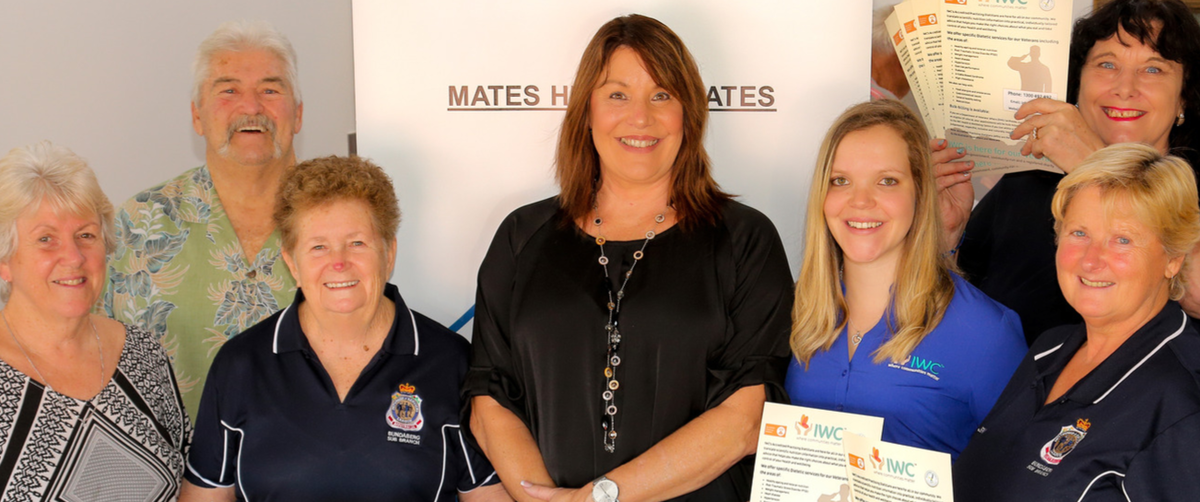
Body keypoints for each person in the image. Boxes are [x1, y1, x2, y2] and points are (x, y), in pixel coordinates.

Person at [464, 14, 794, 502]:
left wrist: (598, 497)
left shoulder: (745, 240)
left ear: (688, 113)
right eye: (617, 94)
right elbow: (490, 401)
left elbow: (746, 419)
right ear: (587, 111)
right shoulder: (521, 235)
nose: (640, 117)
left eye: (662, 95)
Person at [180, 156, 508, 501]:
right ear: (291, 261)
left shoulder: (450, 361)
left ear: (389, 252)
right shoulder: (241, 364)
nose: (338, 262)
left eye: (357, 243)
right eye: (318, 247)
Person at [936, 0, 1200, 344]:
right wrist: (946, 237)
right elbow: (959, 293)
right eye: (1107, 64)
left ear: (1183, 98)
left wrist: (1096, 167)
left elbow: (1194, 293)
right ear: (1077, 84)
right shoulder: (1027, 178)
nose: (1125, 87)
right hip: (1007, 390)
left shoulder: (1192, 185)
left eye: (1153, 69)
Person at [954, 143, 1200, 500]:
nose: (1091, 260)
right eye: (1079, 233)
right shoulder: (1049, 349)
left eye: (1122, 239)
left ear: (1173, 258)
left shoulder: (1183, 403)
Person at [786, 100, 1026, 461]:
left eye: (887, 181)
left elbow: (1019, 474)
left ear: (920, 193)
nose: (861, 201)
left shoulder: (986, 332)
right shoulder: (795, 312)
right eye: (840, 181)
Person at [105, 20, 304, 415]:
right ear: (197, 116)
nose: (251, 107)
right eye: (228, 90)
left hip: (313, 470)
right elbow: (85, 348)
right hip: (166, 471)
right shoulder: (136, 224)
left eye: (270, 89)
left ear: (297, 115)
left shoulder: (342, 223)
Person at [0, 142, 189, 501]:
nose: (73, 257)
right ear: (4, 261)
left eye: (86, 235)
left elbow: (188, 482)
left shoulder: (143, 354)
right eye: (45, 240)